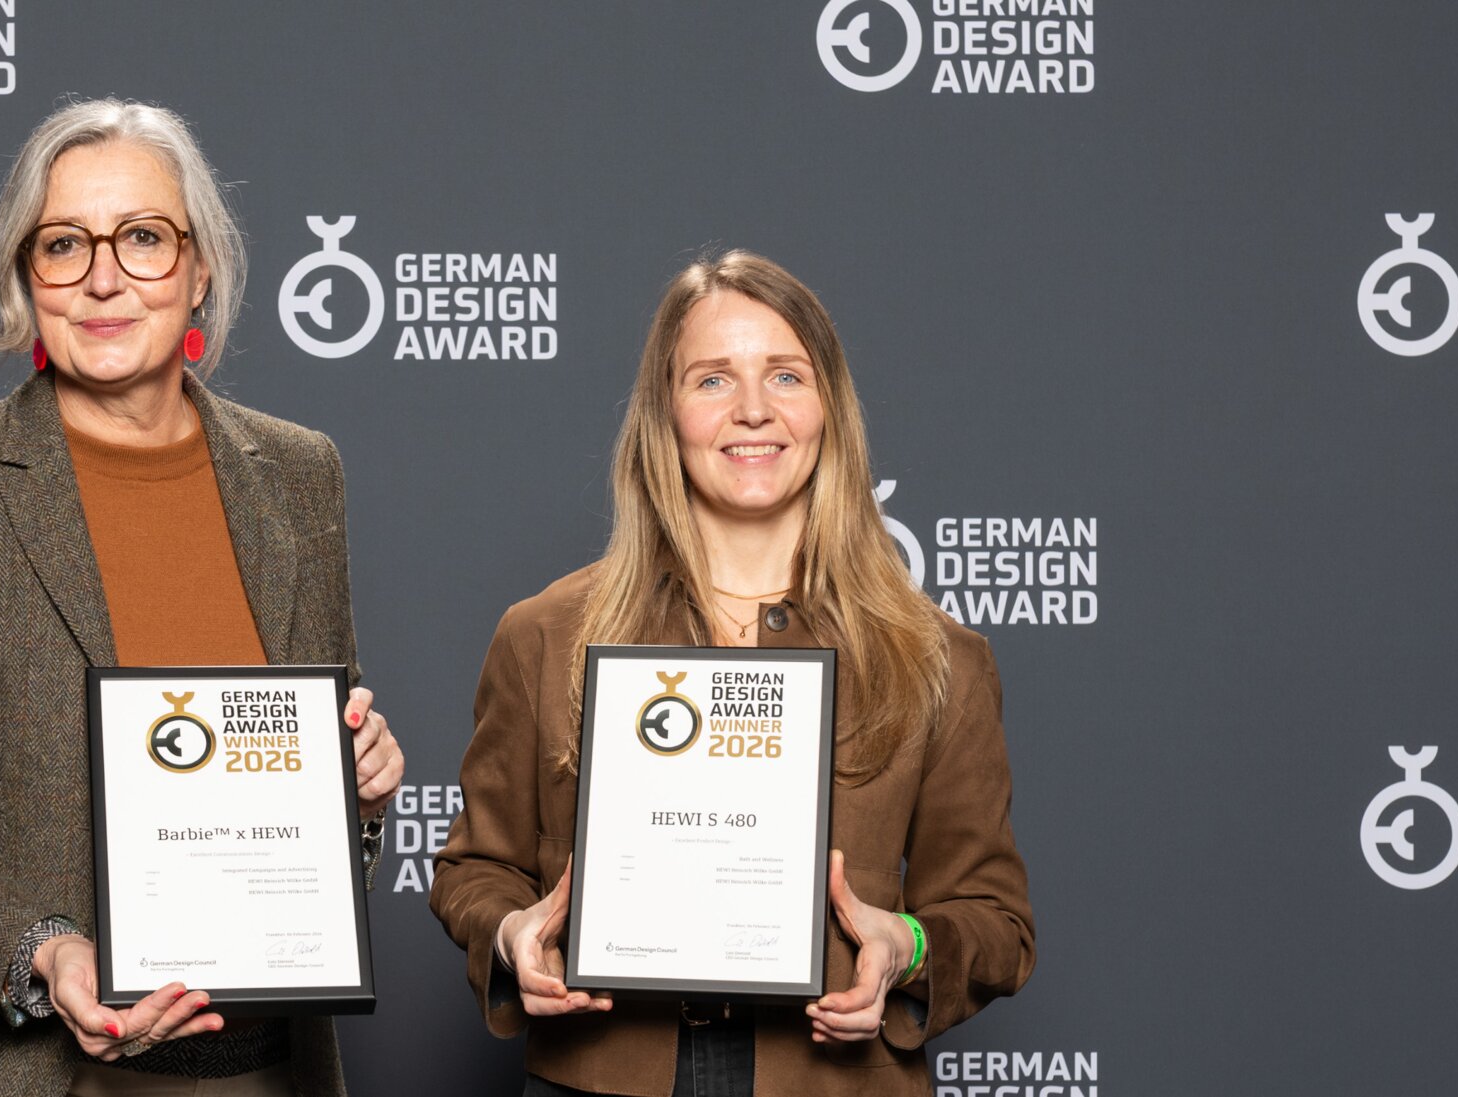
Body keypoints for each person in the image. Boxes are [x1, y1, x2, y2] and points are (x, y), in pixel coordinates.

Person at [0, 99, 405, 1097]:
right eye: (63, 244)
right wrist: (39, 949)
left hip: (260, 1070)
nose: (102, 277)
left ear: (199, 268)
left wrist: (357, 796)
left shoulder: (300, 476)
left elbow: (315, 845)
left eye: (142, 237)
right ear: (25, 276)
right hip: (22, 1070)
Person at [429, 251, 1033, 1096]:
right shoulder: (545, 635)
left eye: (786, 375)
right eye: (713, 379)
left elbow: (995, 919)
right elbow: (475, 870)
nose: (753, 409)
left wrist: (911, 946)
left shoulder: (936, 656)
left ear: (829, 408)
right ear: (664, 413)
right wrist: (511, 932)